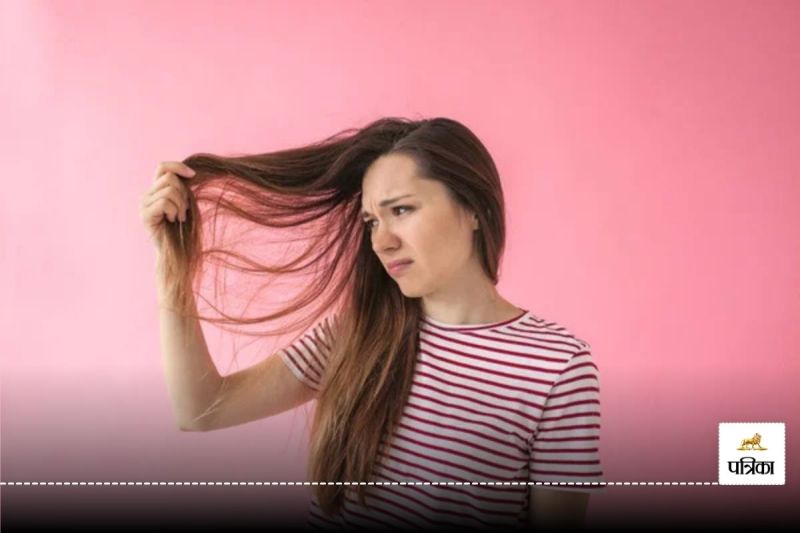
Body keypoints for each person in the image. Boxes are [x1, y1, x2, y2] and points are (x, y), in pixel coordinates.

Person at [139, 117, 607, 530]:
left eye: (401, 210)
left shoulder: (557, 367)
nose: (381, 242)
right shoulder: (355, 335)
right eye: (370, 222)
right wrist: (171, 265)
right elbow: (202, 410)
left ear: (472, 208)